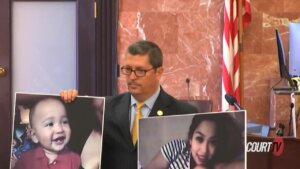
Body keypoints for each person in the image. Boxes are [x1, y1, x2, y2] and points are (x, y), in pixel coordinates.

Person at [61, 40, 198, 169]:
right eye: (127, 69)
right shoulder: (107, 108)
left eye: (140, 71)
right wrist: (71, 102)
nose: (132, 77)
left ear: (158, 72)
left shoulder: (184, 112)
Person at [144, 113, 244, 169]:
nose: (204, 150)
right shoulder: (177, 148)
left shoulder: (218, 164)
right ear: (191, 138)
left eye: (213, 142)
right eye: (199, 139)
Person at [14, 97, 80, 169]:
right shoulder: (25, 159)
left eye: (64, 122)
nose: (60, 129)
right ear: (34, 135)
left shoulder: (75, 159)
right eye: (50, 124)